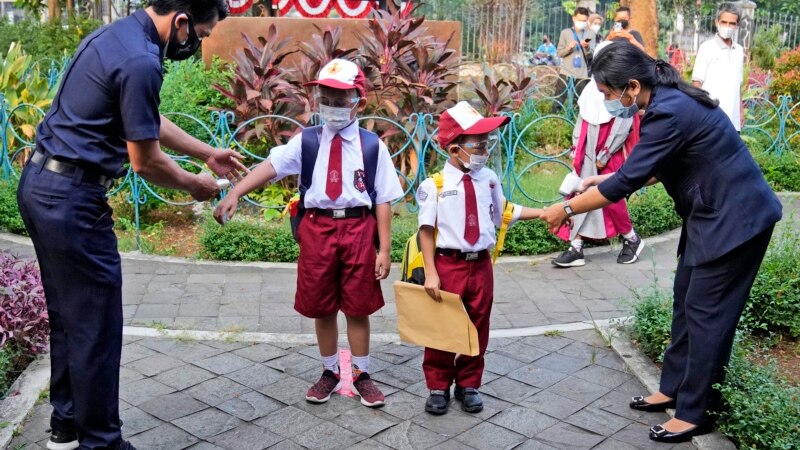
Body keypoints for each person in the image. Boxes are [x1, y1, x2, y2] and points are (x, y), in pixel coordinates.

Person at [16, 1, 243, 449]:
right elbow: (145, 162)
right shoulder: (141, 59)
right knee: (97, 327)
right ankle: (101, 442)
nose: (197, 42)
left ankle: (66, 428)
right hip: (72, 200)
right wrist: (194, 185)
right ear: (180, 22)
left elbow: (145, 117)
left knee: (68, 317)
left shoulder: (118, 37)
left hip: (41, 185)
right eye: (201, 32)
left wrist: (205, 153)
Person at [540, 42, 782, 443]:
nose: (607, 102)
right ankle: (671, 389)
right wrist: (608, 180)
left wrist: (565, 210)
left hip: (736, 223)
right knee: (686, 303)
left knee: (708, 318)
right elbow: (654, 164)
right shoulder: (669, 100)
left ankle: (694, 412)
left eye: (606, 94)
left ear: (631, 87)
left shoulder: (670, 109)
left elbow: (627, 180)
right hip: (712, 218)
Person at [214, 59, 403, 409]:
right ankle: (330, 371)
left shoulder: (372, 145)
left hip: (358, 228)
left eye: (339, 96)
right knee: (322, 305)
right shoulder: (307, 142)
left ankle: (361, 373)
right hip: (317, 228)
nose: (331, 104)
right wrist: (235, 191)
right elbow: (271, 167)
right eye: (325, 95)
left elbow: (384, 200)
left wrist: (385, 248)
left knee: (358, 306)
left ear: (357, 100)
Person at [417, 102, 544, 415]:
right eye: (478, 144)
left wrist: (543, 212)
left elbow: (504, 211)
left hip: (481, 264)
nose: (485, 149)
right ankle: (438, 384)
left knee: (478, 324)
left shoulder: (487, 178)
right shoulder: (435, 185)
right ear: (456, 148)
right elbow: (426, 231)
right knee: (443, 325)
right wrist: (431, 272)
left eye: (487, 143)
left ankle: (469, 382)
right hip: (448, 263)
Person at [552, 43, 644, 268]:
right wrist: (576, 148)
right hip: (586, 152)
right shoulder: (591, 90)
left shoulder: (620, 91)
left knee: (611, 198)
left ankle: (631, 238)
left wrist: (606, 152)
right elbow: (582, 120)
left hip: (606, 154)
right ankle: (576, 247)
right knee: (577, 196)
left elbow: (622, 124)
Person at [692, 3, 744, 132]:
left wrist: (741, 111)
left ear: (736, 25)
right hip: (710, 117)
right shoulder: (706, 48)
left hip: (733, 120)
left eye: (732, 23)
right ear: (716, 22)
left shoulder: (739, 51)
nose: (727, 26)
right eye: (724, 22)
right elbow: (696, 84)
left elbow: (738, 85)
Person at [553, 7, 596, 112]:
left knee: (579, 102)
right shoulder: (565, 33)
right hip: (566, 71)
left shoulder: (590, 34)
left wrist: (587, 48)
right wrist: (568, 48)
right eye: (579, 20)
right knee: (559, 99)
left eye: (584, 21)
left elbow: (592, 56)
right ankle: (553, 119)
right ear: (574, 18)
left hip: (582, 74)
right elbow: (559, 53)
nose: (582, 23)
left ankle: (574, 122)